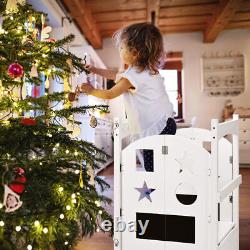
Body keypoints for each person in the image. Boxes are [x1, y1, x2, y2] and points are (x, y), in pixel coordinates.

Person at [79, 22, 176, 171]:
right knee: (163, 163)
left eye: (122, 48)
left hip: (155, 128)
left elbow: (110, 93)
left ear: (135, 53)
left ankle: (157, 188)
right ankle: (169, 180)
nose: (119, 50)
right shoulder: (145, 71)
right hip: (165, 123)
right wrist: (95, 70)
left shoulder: (132, 77)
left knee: (152, 166)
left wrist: (91, 91)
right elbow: (115, 75)